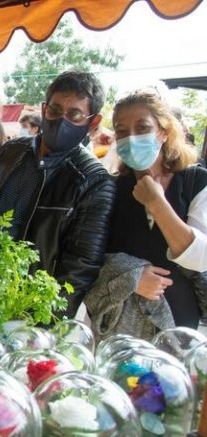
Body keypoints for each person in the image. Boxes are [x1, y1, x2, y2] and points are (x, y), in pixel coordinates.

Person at [0, 70, 116, 318]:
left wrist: (44, 322)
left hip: (33, 306)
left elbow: (81, 267)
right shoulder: (11, 153)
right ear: (45, 109)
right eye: (55, 111)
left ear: (93, 122)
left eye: (75, 115)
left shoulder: (92, 180)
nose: (61, 120)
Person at [85, 91, 207, 337]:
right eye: (121, 131)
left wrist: (157, 203)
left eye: (142, 128)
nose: (131, 138)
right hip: (120, 328)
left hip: (178, 327)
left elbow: (201, 258)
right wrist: (131, 276)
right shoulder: (110, 188)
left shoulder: (195, 182)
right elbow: (89, 256)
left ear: (163, 132)